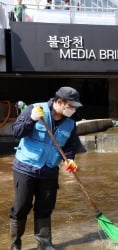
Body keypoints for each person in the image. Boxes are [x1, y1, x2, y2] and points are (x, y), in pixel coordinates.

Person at [9, 86, 82, 250]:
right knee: (21, 207)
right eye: (71, 106)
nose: (73, 109)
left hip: (49, 170)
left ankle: (44, 244)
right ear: (59, 102)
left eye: (75, 107)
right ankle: (15, 245)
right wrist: (32, 120)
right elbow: (16, 132)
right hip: (26, 167)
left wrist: (70, 159)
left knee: (45, 208)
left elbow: (70, 146)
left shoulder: (70, 123)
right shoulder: (35, 109)